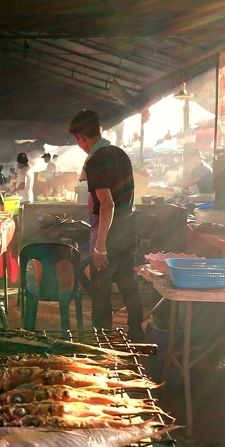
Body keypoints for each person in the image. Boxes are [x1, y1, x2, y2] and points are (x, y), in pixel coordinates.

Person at [69, 109, 143, 342]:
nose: (79, 145)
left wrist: (100, 245)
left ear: (82, 137)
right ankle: (137, 332)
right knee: (128, 284)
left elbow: (107, 204)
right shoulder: (120, 154)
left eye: (77, 140)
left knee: (101, 290)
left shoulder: (97, 160)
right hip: (127, 229)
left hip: (109, 232)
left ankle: (102, 340)